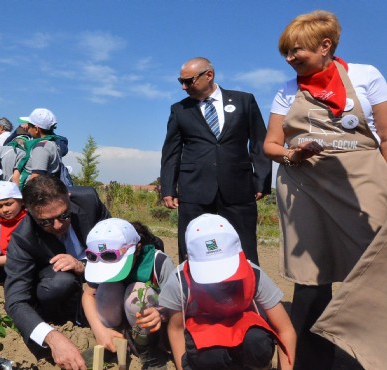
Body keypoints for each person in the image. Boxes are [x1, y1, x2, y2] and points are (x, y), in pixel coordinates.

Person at [262, 10, 387, 369]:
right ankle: (311, 362)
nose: (289, 60)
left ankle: (365, 357)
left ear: (325, 46)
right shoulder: (286, 91)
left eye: (295, 51)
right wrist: (291, 153)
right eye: (285, 53)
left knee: (371, 269)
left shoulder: (366, 76)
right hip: (305, 185)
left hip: (363, 180)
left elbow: (385, 136)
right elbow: (270, 145)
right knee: (311, 279)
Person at [160, 57, 272, 265]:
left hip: (238, 186)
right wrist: (168, 188)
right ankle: (192, 292)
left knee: (244, 245)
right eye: (180, 82)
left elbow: (258, 142)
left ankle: (248, 293)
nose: (184, 87)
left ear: (209, 75)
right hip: (195, 188)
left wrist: (262, 179)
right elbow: (171, 152)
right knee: (193, 245)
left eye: (188, 81)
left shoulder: (244, 101)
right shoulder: (179, 109)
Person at [161, 214, 296, 370]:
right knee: (210, 355)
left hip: (245, 336)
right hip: (205, 340)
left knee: (257, 342)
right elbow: (176, 329)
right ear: (189, 260)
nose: (219, 281)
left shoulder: (253, 275)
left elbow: (285, 330)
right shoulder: (180, 282)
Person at [4, 175, 110, 370]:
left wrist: (83, 265)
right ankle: (66, 319)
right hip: (57, 291)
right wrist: (52, 336)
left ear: (68, 197)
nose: (58, 226)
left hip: (98, 282)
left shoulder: (89, 200)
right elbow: (15, 301)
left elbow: (115, 247)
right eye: (46, 222)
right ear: (29, 212)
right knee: (59, 283)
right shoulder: (22, 238)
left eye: (64, 215)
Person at [82, 218, 174, 370]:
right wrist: (99, 330)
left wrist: (161, 313)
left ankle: (149, 351)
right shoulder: (99, 258)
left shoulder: (158, 262)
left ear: (137, 249)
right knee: (107, 290)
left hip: (150, 326)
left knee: (137, 294)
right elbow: (88, 295)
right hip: (118, 320)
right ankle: (113, 343)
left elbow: (179, 304)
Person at [14, 108, 70, 189]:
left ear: (36, 129)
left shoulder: (41, 147)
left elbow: (36, 177)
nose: (27, 130)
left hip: (34, 196)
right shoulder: (53, 143)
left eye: (29, 126)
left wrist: (24, 197)